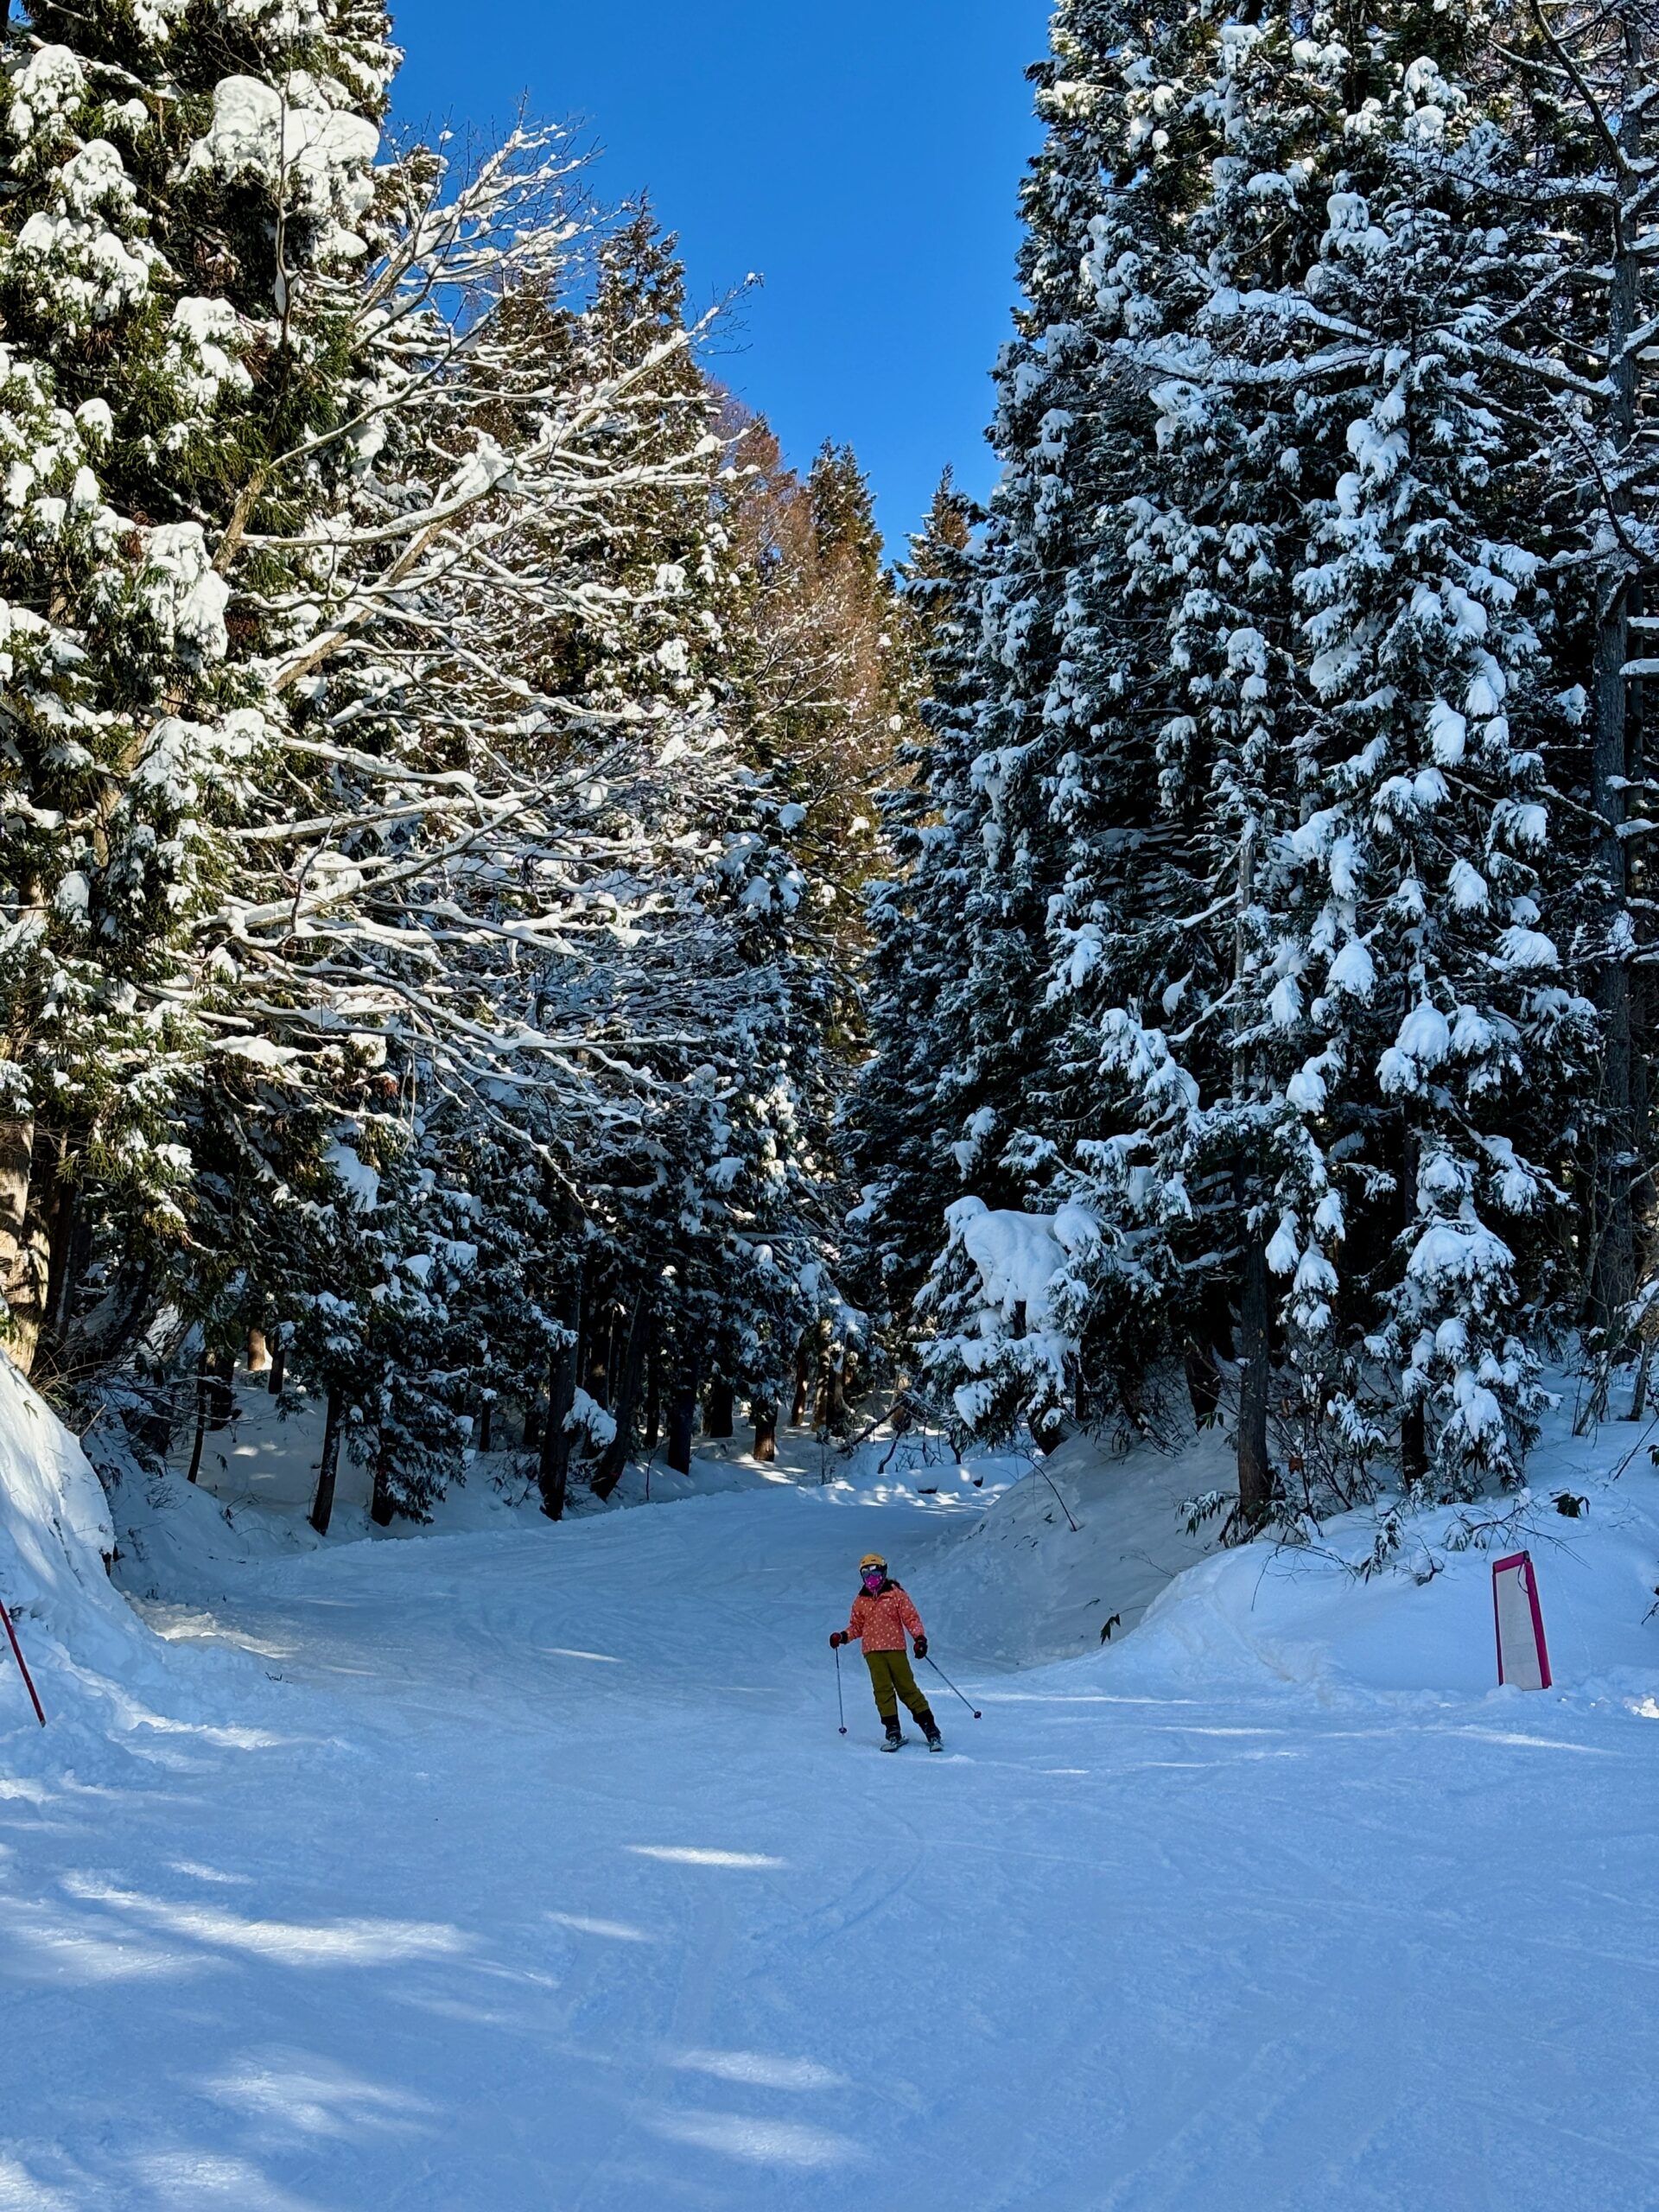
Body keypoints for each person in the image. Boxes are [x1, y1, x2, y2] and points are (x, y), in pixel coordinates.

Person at [830, 1553, 942, 1751]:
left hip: (895, 1649)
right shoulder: (861, 1600)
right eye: (866, 1573)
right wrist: (843, 1636)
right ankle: (892, 1730)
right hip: (873, 1652)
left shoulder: (895, 1594)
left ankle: (930, 1729)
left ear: (884, 1572)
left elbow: (911, 1618)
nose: (871, 1578)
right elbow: (857, 1626)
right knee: (882, 1691)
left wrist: (919, 1639)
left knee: (906, 1688)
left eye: (875, 1572)